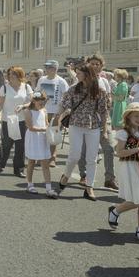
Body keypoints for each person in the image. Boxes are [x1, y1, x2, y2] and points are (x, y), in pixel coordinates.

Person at [57, 64, 109, 201]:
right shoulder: (73, 89)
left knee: (91, 159)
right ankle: (66, 175)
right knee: (74, 156)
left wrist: (105, 130)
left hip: (93, 126)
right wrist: (58, 120)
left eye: (79, 73)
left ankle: (89, 187)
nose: (77, 75)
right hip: (76, 125)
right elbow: (64, 104)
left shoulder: (100, 91)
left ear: (87, 74)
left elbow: (104, 111)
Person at [107, 102, 139, 243]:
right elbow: (120, 153)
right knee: (138, 199)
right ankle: (116, 210)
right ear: (128, 116)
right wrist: (138, 149)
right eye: (136, 115)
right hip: (130, 167)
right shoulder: (123, 132)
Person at [78, 54, 117, 190]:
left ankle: (109, 178)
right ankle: (84, 175)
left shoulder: (104, 81)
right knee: (84, 149)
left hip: (104, 119)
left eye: (98, 64)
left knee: (109, 148)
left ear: (101, 66)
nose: (95, 66)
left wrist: (108, 104)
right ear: (88, 65)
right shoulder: (81, 80)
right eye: (92, 63)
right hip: (86, 120)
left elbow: (108, 100)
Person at [0, 66, 33, 177]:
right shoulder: (4, 88)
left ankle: (19, 169)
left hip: (22, 120)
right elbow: (0, 104)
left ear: (20, 75)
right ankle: (1, 163)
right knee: (6, 144)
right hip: (8, 120)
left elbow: (32, 103)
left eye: (14, 74)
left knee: (20, 146)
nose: (11, 76)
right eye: (10, 74)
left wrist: (23, 106)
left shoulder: (27, 87)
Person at [23, 92, 57, 198]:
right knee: (31, 162)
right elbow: (31, 127)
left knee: (45, 163)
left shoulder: (44, 111)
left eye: (44, 102)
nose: (42, 104)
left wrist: (50, 129)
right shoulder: (28, 111)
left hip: (42, 139)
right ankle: (29, 184)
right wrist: (45, 129)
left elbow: (46, 123)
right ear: (34, 101)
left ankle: (48, 188)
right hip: (33, 138)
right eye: (40, 102)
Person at [36, 60, 69, 166]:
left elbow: (66, 97)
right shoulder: (41, 79)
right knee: (41, 135)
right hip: (42, 112)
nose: (47, 69)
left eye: (49, 67)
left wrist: (63, 112)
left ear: (55, 69)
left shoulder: (61, 81)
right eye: (46, 67)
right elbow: (37, 93)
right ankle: (41, 156)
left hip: (56, 112)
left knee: (53, 135)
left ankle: (52, 158)